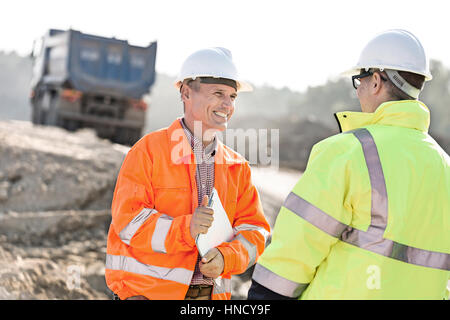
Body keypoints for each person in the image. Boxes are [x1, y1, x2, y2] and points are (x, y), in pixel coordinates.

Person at [248, 29, 450, 299]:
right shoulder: (444, 166)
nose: (358, 92)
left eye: (360, 81)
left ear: (376, 80)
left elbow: (294, 252)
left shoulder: (349, 152)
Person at [105, 47, 270, 300]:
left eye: (233, 96)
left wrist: (227, 258)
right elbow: (128, 222)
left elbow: (255, 232)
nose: (227, 105)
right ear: (185, 93)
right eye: (218, 94)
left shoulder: (237, 167)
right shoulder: (149, 151)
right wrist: (187, 229)